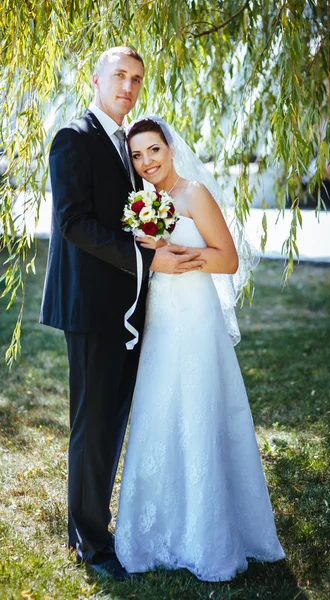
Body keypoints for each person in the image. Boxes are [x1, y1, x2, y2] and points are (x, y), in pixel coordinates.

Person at [40, 48, 204, 581]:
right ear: (95, 80)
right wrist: (145, 256)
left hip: (128, 307)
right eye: (119, 76)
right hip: (89, 307)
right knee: (93, 426)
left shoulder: (128, 145)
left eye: (136, 79)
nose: (128, 86)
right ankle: (91, 541)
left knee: (110, 421)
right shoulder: (73, 137)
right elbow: (73, 223)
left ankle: (84, 525)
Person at [115, 116, 285, 582]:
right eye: (137, 155)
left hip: (196, 319)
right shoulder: (142, 202)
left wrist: (180, 257)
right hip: (160, 321)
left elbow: (227, 258)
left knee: (199, 412)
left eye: (153, 150)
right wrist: (152, 254)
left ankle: (209, 535)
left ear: (169, 148)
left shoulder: (194, 194)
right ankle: (156, 532)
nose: (146, 161)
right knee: (159, 413)